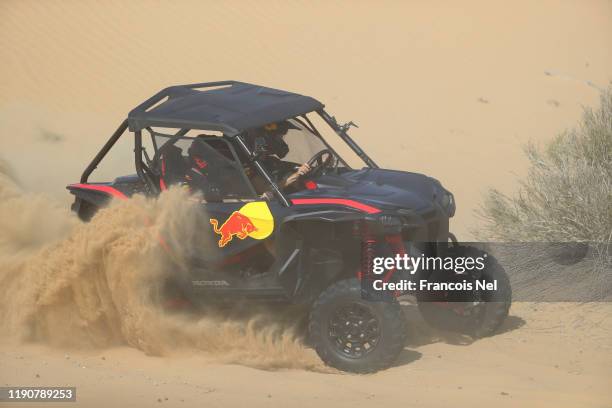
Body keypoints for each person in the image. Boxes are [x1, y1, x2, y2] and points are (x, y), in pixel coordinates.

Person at [243, 121, 312, 200]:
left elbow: (292, 168)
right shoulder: (251, 170)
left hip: (300, 194)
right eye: (280, 137)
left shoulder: (272, 161)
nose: (282, 141)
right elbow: (269, 190)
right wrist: (297, 175)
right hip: (282, 204)